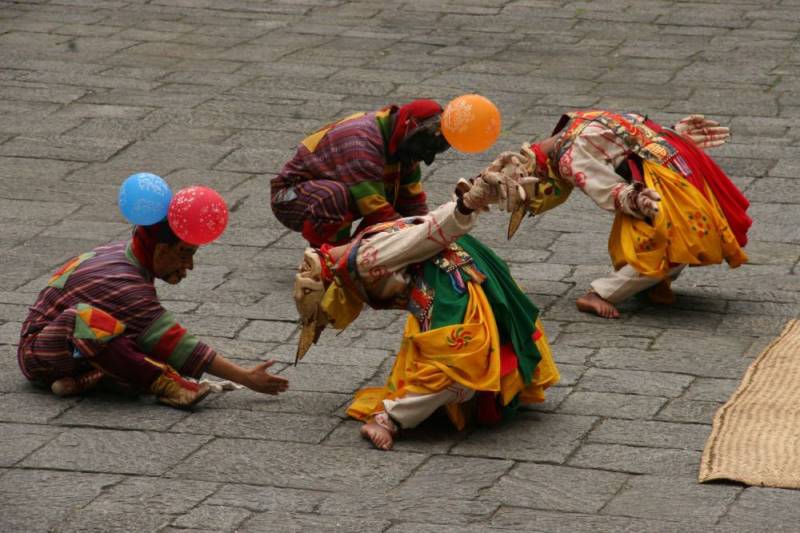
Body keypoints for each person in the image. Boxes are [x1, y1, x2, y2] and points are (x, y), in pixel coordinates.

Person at [292, 172, 558, 450]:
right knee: (459, 351)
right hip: (458, 274)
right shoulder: (363, 243)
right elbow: (424, 225)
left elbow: (427, 232)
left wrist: (469, 202)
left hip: (446, 288)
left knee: (457, 364)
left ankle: (389, 419)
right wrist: (471, 195)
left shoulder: (363, 260)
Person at [490, 110, 751, 318]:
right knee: (684, 235)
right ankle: (643, 284)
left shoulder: (568, 157)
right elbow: (629, 132)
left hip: (659, 175)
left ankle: (599, 294)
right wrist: (672, 133)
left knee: (668, 241)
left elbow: (608, 189)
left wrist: (636, 198)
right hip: (670, 157)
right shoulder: (579, 119)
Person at [17, 220, 289, 408]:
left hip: (77, 352)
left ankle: (80, 381)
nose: (190, 266)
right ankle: (166, 384)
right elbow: (175, 341)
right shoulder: (125, 283)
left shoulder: (123, 253)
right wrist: (244, 376)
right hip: (40, 353)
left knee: (131, 340)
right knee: (86, 320)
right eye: (184, 254)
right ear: (160, 249)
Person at [271, 99, 450, 247]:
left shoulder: (402, 145)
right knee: (334, 195)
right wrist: (413, 238)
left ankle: (355, 252)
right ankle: (326, 257)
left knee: (399, 209)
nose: (425, 158)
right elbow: (376, 209)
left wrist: (429, 232)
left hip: (341, 190)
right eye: (425, 149)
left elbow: (413, 203)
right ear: (408, 128)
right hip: (289, 197)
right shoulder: (361, 143)